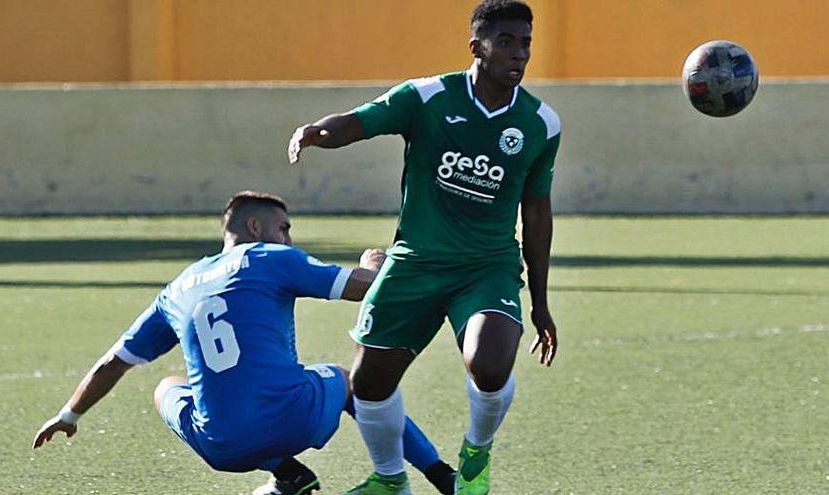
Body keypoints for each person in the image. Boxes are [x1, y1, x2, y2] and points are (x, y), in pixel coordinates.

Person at [287, 1, 560, 493]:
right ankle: (390, 481)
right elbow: (356, 121)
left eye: (525, 43)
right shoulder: (427, 97)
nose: (518, 54)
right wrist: (316, 133)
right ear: (476, 47)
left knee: (490, 364)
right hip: (415, 262)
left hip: (487, 268)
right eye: (506, 42)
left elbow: (537, 215)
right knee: (368, 384)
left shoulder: (542, 123)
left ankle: (476, 454)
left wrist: (539, 303)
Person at [32, 191, 456, 495]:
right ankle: (439, 476)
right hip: (297, 420)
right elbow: (368, 288)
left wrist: (69, 414)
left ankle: (288, 474)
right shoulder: (271, 257)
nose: (289, 238)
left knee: (165, 387)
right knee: (350, 379)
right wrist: (375, 263)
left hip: (223, 448)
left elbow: (113, 363)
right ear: (255, 227)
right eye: (283, 228)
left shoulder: (177, 288)